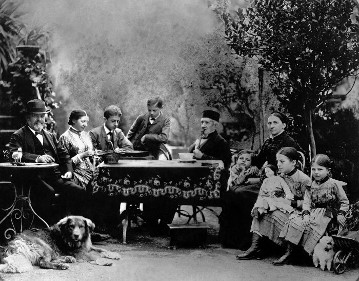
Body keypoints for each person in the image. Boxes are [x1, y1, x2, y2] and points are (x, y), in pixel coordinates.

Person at [8, 99, 87, 223]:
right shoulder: (18, 136)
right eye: (35, 116)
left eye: (42, 116)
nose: (39, 119)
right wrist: (37, 158)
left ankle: (79, 227)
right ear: (28, 118)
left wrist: (69, 171)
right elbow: (15, 154)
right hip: (33, 179)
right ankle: (47, 228)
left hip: (54, 177)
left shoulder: (50, 135)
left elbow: (64, 156)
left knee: (79, 191)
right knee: (48, 192)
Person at [236, 147, 311, 264]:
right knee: (260, 210)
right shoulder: (278, 175)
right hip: (279, 205)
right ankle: (255, 247)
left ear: (294, 163)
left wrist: (291, 202)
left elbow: (310, 203)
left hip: (297, 211)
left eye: (282, 162)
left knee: (275, 214)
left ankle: (290, 251)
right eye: (277, 161)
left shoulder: (303, 180)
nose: (278, 165)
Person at [277, 154, 349, 263]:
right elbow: (307, 202)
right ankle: (290, 252)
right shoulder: (311, 185)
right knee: (295, 221)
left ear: (328, 171)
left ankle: (305, 254)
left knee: (310, 227)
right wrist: (306, 214)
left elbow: (344, 201)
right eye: (313, 169)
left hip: (327, 215)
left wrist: (341, 213)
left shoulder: (334, 184)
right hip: (312, 212)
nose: (316, 172)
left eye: (320, 169)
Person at [59, 110, 94, 189]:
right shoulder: (65, 137)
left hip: (92, 171)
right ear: (74, 120)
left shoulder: (86, 135)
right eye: (83, 121)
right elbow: (64, 162)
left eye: (86, 122)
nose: (85, 124)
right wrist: (82, 155)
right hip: (75, 174)